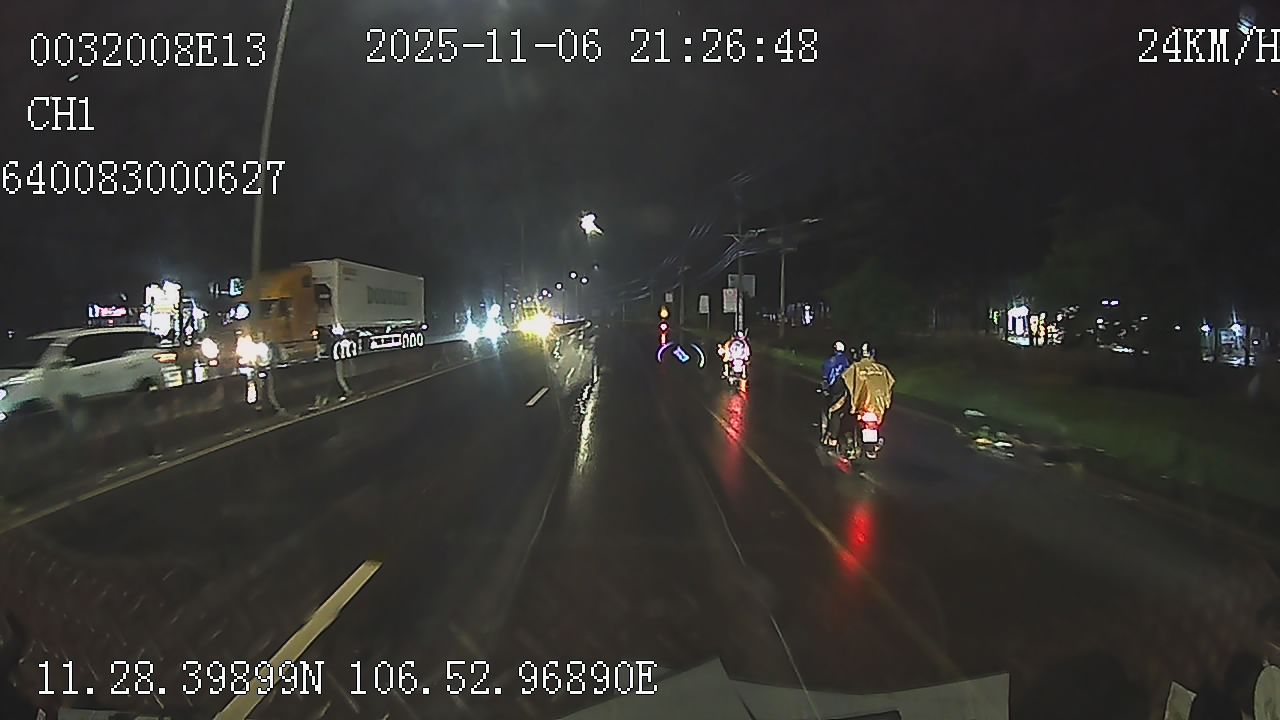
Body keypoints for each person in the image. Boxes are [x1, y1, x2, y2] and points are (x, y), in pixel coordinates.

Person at [825, 342, 895, 446]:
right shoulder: (883, 369)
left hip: (860, 405)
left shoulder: (855, 368)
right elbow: (890, 385)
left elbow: (842, 382)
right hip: (878, 407)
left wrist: (835, 393)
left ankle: (833, 439)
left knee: (836, 412)